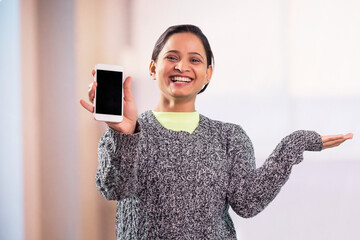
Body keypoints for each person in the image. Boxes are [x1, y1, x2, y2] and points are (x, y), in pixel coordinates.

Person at [80, 24, 353, 239]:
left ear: (208, 73)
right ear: (153, 68)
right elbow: (114, 189)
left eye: (195, 60)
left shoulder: (229, 137)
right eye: (171, 57)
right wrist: (125, 135)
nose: (181, 67)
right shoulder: (127, 133)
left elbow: (247, 203)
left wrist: (295, 144)